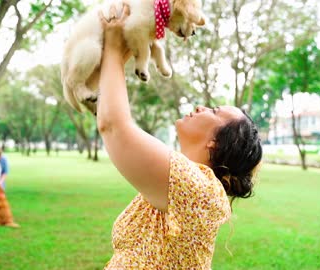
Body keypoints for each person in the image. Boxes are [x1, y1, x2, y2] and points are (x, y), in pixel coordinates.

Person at [97, 4, 262, 269]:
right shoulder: (180, 181)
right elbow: (110, 121)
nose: (201, 107)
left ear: (216, 142)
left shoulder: (200, 191)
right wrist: (124, 46)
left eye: (214, 111)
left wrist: (114, 50)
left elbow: (113, 126)